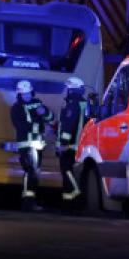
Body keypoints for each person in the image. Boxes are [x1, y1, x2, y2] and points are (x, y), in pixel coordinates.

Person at [10, 79, 54, 211]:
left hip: (38, 144)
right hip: (26, 145)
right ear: (19, 94)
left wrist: (44, 112)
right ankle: (27, 202)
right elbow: (20, 126)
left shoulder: (37, 103)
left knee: (35, 172)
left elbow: (51, 117)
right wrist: (39, 127)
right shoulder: (16, 108)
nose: (27, 96)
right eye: (24, 94)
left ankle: (31, 200)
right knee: (30, 171)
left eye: (28, 93)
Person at [56, 76, 90, 205]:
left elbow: (68, 126)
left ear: (71, 89)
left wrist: (63, 144)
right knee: (73, 173)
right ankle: (72, 203)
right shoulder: (84, 103)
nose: (65, 90)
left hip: (69, 147)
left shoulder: (71, 104)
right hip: (81, 146)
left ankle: (71, 202)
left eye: (67, 88)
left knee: (67, 172)